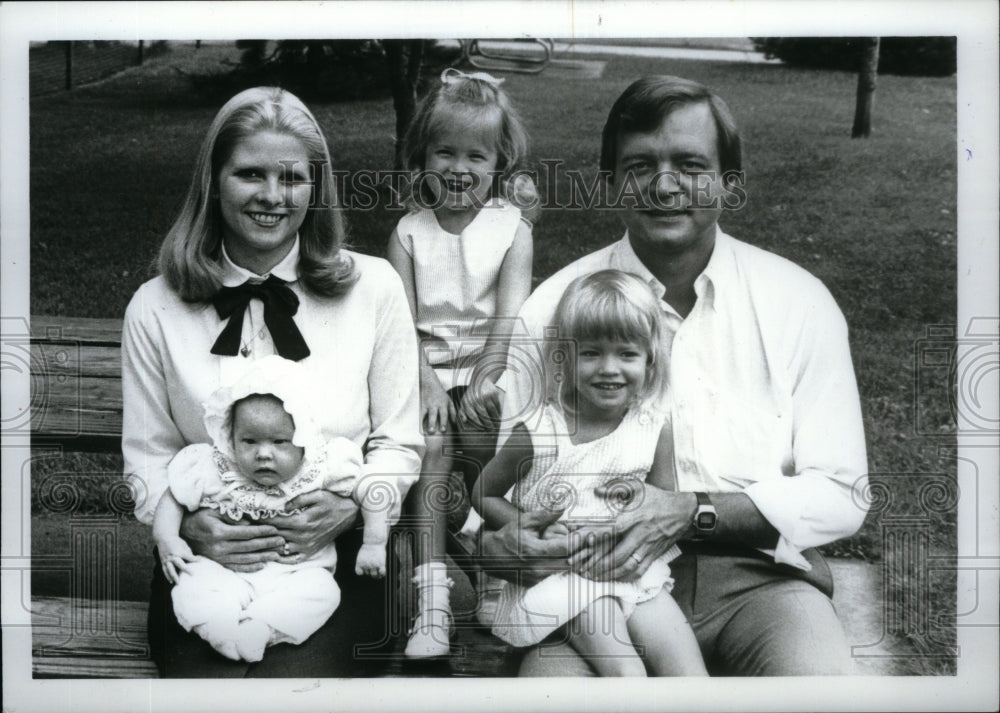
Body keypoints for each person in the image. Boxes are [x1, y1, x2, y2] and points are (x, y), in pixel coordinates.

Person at [479, 75, 869, 676]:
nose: (664, 186)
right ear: (610, 184)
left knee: (822, 689)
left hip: (754, 580)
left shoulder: (797, 301)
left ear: (728, 184)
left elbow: (843, 493)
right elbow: (497, 493)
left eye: (690, 164)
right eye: (639, 166)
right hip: (587, 584)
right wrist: (499, 544)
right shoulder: (552, 308)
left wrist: (693, 511)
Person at [122, 86, 422, 677]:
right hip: (205, 570)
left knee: (291, 689)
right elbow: (149, 455)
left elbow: (398, 440)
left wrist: (351, 508)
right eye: (249, 174)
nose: (272, 197)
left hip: (342, 562)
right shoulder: (155, 308)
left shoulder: (376, 288)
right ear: (214, 181)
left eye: (292, 178)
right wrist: (186, 526)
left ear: (317, 186)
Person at [473, 270, 707, 677]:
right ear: (564, 357)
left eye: (627, 354)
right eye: (592, 353)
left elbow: (663, 505)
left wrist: (634, 509)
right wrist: (529, 526)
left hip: (629, 571)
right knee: (627, 675)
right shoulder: (541, 432)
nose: (609, 368)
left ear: (651, 360)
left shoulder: (653, 428)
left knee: (688, 674)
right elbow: (483, 492)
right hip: (565, 577)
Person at [386, 68, 534, 658]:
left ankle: (494, 568)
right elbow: (398, 322)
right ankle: (433, 605)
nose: (458, 167)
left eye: (476, 154)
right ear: (422, 156)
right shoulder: (408, 233)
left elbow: (510, 311)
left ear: (499, 161)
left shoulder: (511, 229)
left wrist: (487, 376)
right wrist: (425, 385)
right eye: (444, 152)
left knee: (482, 461)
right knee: (432, 454)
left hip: (490, 370)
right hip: (422, 372)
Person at [152, 356, 391, 663]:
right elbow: (173, 497)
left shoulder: (321, 466)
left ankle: (261, 628)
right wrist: (167, 539)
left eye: (280, 441)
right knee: (194, 584)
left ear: (304, 439)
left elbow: (373, 491)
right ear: (230, 437)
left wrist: (374, 541)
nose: (264, 454)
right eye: (249, 441)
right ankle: (218, 629)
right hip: (224, 569)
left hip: (296, 572)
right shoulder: (215, 466)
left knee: (322, 592)